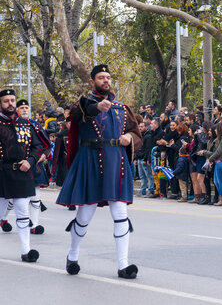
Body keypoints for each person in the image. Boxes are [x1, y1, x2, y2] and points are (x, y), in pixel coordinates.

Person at [56, 65, 142, 278]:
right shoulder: (83, 105)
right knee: (84, 215)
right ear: (93, 81)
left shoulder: (122, 108)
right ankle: (72, 255)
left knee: (120, 213)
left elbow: (136, 132)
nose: (106, 80)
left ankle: (123, 265)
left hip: (116, 161)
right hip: (91, 160)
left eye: (108, 77)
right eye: (101, 77)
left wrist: (129, 138)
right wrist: (97, 108)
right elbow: (79, 113)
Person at [0, 89, 49, 262]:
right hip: (2, 173)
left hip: (22, 172)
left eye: (12, 100)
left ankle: (26, 251)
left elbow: (39, 146)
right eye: (6, 101)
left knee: (22, 210)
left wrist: (30, 160)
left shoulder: (26, 124)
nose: (11, 104)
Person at [16, 98, 51, 235]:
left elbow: (45, 143)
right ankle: (3, 218)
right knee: (13, 199)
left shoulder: (35, 124)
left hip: (35, 164)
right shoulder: (12, 124)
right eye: (22, 108)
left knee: (35, 197)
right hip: (18, 165)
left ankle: (34, 225)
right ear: (17, 110)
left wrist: (43, 155)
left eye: (26, 107)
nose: (24, 110)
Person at [200, 122, 222, 206]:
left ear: (220, 130)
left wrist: (210, 159)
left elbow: (218, 152)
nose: (215, 130)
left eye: (216, 129)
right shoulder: (220, 139)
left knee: (220, 181)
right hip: (218, 161)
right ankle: (221, 198)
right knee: (216, 181)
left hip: (221, 162)